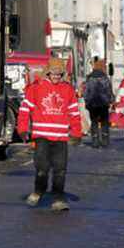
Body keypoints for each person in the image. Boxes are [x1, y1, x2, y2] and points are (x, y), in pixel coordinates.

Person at [17, 57, 82, 211]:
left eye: (59, 75)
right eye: (53, 74)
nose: (56, 77)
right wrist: (22, 128)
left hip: (60, 137)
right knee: (42, 168)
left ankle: (58, 198)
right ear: (47, 73)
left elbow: (74, 113)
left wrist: (77, 132)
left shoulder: (67, 90)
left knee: (60, 169)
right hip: (42, 136)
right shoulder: (36, 88)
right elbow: (25, 110)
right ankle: (38, 190)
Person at [84, 59, 115, 148]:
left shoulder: (89, 78)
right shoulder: (105, 78)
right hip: (103, 103)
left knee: (94, 122)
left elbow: (86, 92)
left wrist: (87, 102)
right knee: (104, 122)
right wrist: (111, 100)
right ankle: (105, 140)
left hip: (92, 103)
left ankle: (95, 141)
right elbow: (109, 91)